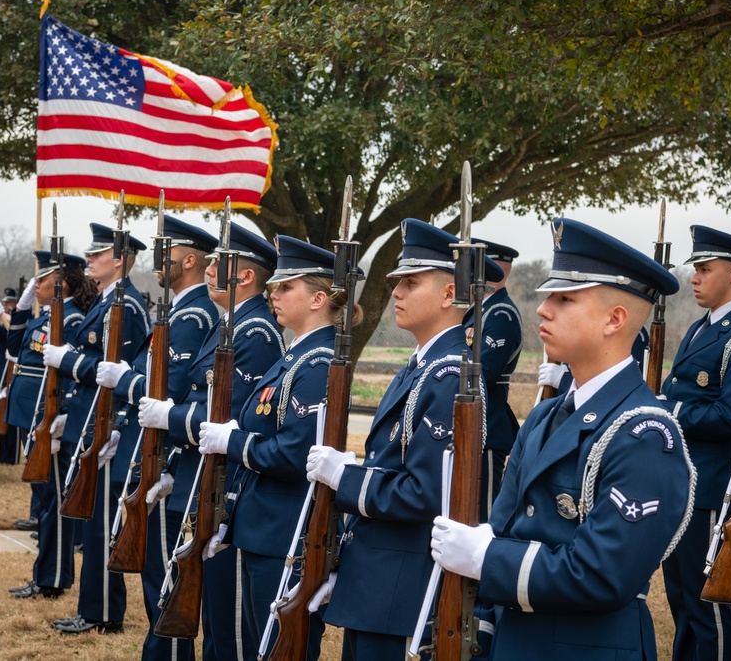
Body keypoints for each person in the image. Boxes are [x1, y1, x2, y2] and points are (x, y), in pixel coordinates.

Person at [430, 218, 693, 660]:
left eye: (565, 298)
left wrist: (486, 559)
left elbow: (602, 574)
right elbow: (508, 526)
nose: (542, 309)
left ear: (615, 319)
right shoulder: (546, 414)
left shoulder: (645, 433)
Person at [305, 218, 502, 659]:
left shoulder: (450, 374)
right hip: (376, 574)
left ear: (451, 294)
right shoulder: (423, 364)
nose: (395, 292)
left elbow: (426, 493)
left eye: (410, 283)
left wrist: (347, 478)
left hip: (401, 581)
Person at [198, 235, 360, 658]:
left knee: (279, 649)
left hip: (287, 536)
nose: (274, 293)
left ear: (318, 299)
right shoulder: (295, 356)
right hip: (264, 529)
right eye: (276, 286)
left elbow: (292, 456)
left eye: (287, 287)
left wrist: (232, 440)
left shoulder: (319, 362)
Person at [139, 221, 286, 661]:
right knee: (199, 605)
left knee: (225, 622)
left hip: (220, 482)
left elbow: (231, 415)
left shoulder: (256, 332)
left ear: (244, 276)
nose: (208, 267)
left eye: (219, 261)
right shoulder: (229, 323)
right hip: (196, 473)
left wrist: (172, 417)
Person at [96, 215, 220, 661]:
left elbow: (165, 390)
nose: (157, 259)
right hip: (162, 453)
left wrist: (125, 380)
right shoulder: (188, 310)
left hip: (171, 453)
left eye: (166, 252)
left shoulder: (193, 314)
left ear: (189, 259)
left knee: (166, 575)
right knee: (157, 571)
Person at [42, 222, 151, 635]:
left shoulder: (128, 306)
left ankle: (103, 611)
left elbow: (116, 375)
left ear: (120, 259)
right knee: (93, 521)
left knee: (102, 522)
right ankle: (94, 607)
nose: (88, 260)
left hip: (109, 426)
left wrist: (66, 361)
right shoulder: (106, 303)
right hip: (92, 422)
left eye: (96, 255)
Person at [659, 225, 731, 661]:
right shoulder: (704, 326)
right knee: (681, 598)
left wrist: (671, 410)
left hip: (713, 485)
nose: (694, 278)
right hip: (684, 481)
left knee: (707, 604)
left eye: (704, 268)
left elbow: (730, 416)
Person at [5, 251, 96, 599]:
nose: (36, 285)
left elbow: (69, 375)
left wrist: (59, 418)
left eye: (41, 280)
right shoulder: (47, 316)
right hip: (33, 415)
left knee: (53, 501)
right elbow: (14, 348)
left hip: (49, 418)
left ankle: (52, 578)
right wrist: (24, 307)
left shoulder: (71, 319)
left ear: (60, 283)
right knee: (45, 499)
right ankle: (46, 574)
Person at [465, 238, 523, 520]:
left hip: (488, 427)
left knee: (482, 517)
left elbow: (483, 372)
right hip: (472, 424)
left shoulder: (500, 313)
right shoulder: (479, 309)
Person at [0, 286, 20, 464]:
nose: (7, 304)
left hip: (10, 373)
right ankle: (2, 455)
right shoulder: (4, 321)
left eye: (10, 302)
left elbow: (4, 333)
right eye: (6, 302)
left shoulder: (16, 322)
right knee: (0, 414)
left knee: (11, 416)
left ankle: (12, 456)